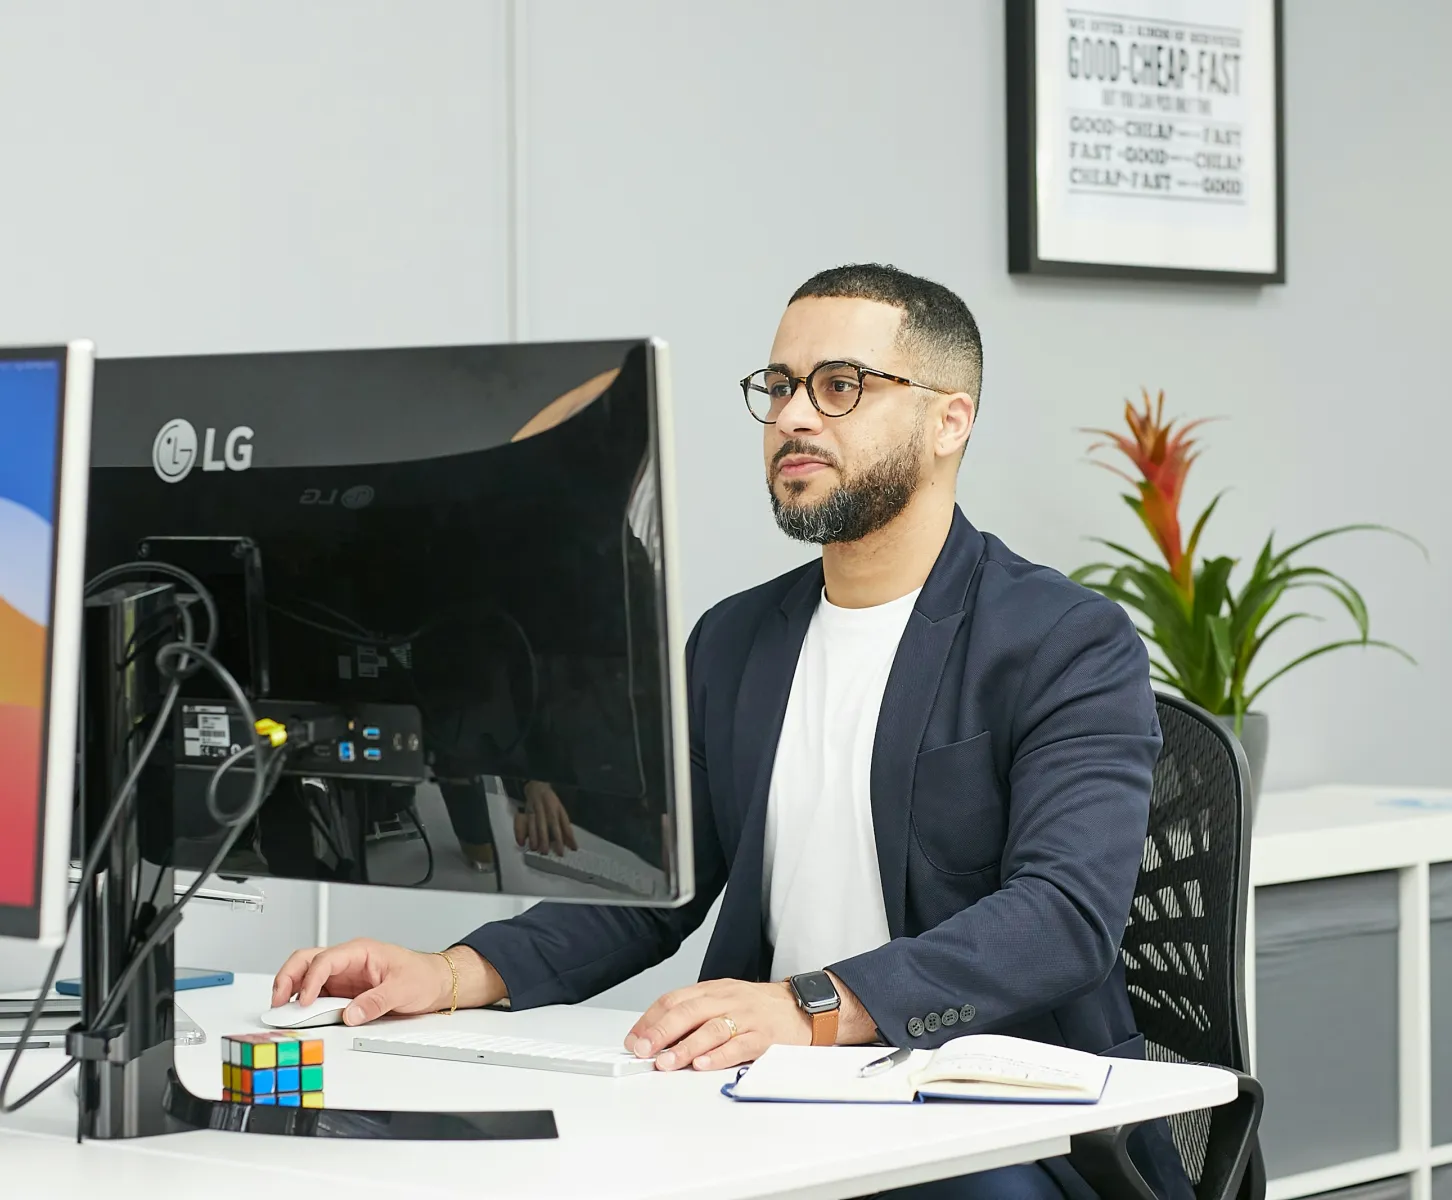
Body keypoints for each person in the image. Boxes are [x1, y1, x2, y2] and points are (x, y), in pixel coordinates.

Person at [269, 264, 1189, 1200]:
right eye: (780, 387)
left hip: (994, 1126)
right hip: (769, 1104)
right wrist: (453, 971)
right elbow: (653, 889)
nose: (794, 416)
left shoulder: (1064, 640)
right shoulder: (736, 639)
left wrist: (811, 1006)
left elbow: (1062, 917)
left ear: (948, 421)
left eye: (840, 387)